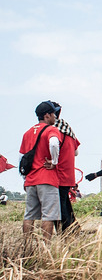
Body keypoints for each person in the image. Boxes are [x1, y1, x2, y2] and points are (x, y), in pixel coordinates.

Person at [20, 101, 61, 239]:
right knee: (48, 215)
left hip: (31, 180)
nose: (55, 117)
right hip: (47, 178)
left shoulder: (27, 133)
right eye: (54, 114)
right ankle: (46, 248)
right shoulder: (52, 130)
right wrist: (54, 162)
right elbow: (54, 143)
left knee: (29, 215)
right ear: (47, 115)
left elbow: (22, 157)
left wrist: (25, 178)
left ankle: (27, 246)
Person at [51, 102, 81, 233]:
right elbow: (76, 152)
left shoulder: (54, 131)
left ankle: (65, 232)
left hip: (58, 173)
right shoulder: (67, 129)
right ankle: (73, 228)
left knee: (59, 206)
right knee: (65, 202)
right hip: (68, 173)